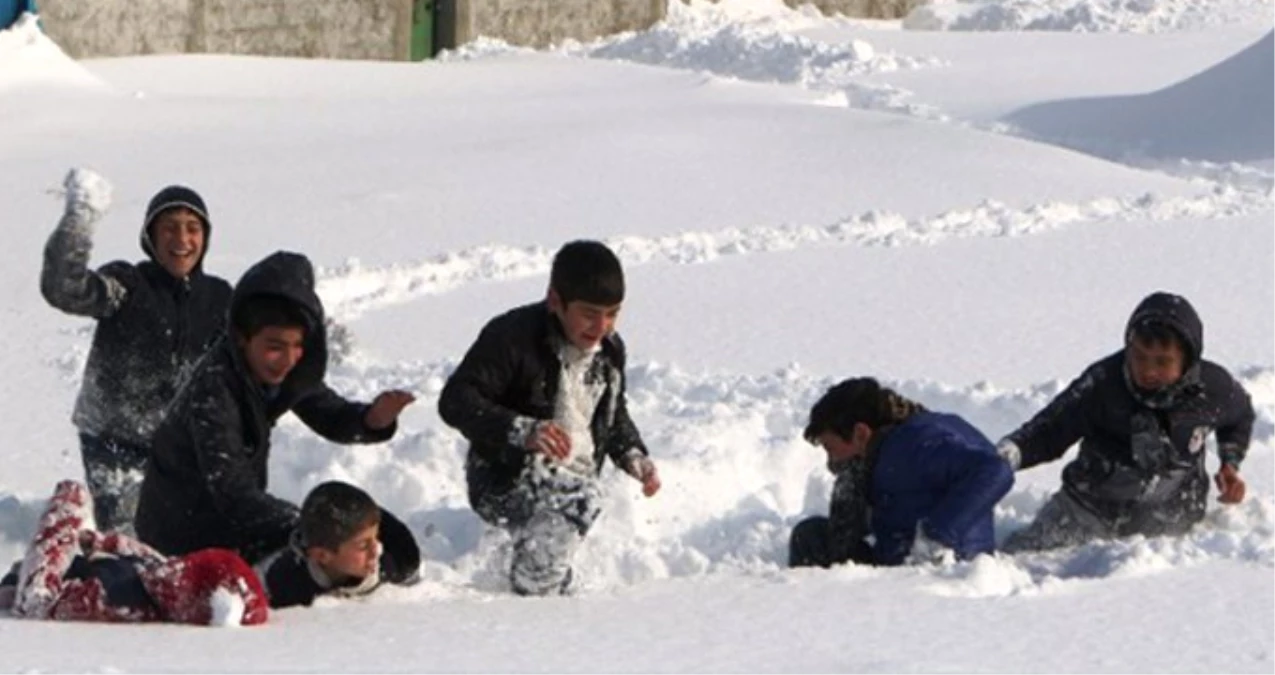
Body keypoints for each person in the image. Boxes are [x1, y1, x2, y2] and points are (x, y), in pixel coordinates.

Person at [134, 251, 416, 563]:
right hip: (179, 536)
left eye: (298, 346)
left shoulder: (278, 371)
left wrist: (371, 419)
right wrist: (309, 527)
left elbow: (328, 412)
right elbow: (233, 489)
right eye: (274, 347)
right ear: (242, 338)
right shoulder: (213, 392)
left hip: (234, 525)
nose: (288, 359)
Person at [438, 240, 660, 596]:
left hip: (575, 479)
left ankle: (547, 578)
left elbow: (613, 413)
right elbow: (455, 401)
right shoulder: (510, 337)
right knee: (582, 497)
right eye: (589, 313)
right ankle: (535, 594)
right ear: (555, 300)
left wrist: (632, 453)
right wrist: (521, 430)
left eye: (612, 313)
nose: (601, 326)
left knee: (582, 496)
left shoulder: (611, 350)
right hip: (503, 480)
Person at [40, 168, 232, 532]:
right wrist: (80, 217)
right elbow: (63, 287)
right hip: (114, 443)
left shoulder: (220, 299)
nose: (182, 239)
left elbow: (256, 343)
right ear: (151, 236)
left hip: (182, 448)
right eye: (170, 227)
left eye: (193, 228)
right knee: (134, 540)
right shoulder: (127, 285)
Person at [999, 292, 1254, 552]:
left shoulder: (1212, 389)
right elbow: (1051, 429)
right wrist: (1011, 454)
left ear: (1187, 361)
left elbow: (1240, 414)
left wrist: (1230, 464)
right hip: (1087, 508)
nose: (1148, 370)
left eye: (1163, 362)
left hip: (1172, 517)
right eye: (1139, 357)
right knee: (1021, 555)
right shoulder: (1102, 384)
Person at [790, 378, 1013, 568]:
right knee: (814, 535)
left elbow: (995, 470)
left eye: (830, 448)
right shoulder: (896, 443)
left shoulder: (919, 445)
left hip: (942, 569)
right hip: (915, 559)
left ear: (860, 433)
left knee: (808, 538)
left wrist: (936, 537)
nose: (832, 462)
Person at [0, 480, 267, 626]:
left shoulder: (123, 604)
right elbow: (147, 559)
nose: (176, 569)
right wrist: (103, 543)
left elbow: (37, 602)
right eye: (189, 564)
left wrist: (66, 509)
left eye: (189, 577)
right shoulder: (159, 579)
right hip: (80, 558)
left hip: (38, 576)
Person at [254, 481, 420, 609]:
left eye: (376, 538)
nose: (375, 550)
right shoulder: (287, 587)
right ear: (323, 556)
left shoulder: (395, 563)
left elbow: (404, 550)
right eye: (363, 546)